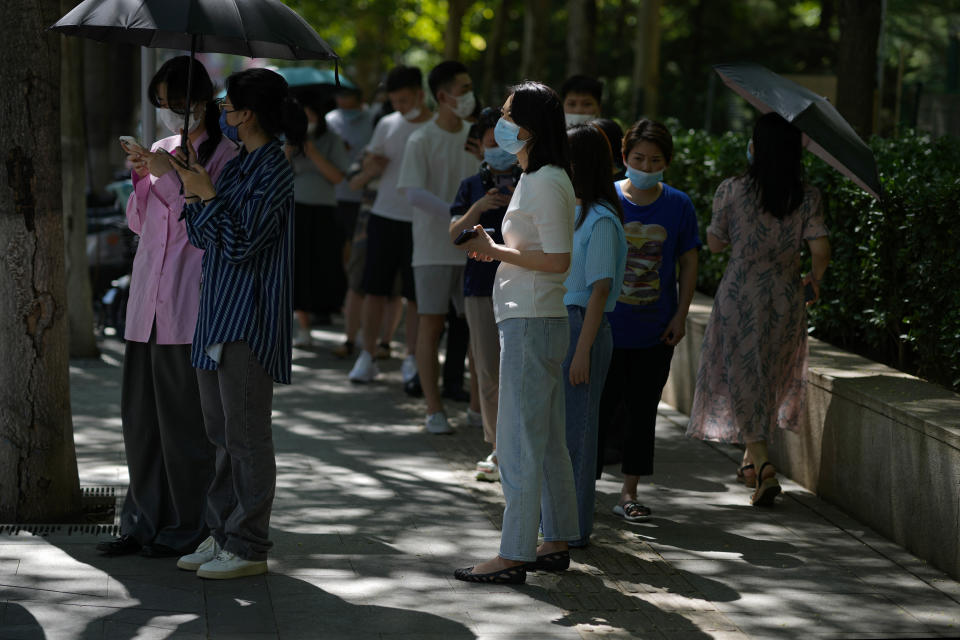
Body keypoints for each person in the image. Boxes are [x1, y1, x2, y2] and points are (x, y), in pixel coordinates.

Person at [97, 56, 237, 560]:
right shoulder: (161, 149)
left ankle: (187, 525)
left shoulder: (223, 154)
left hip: (187, 301)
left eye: (174, 103)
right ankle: (141, 521)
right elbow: (141, 224)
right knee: (141, 421)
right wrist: (143, 177)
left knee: (185, 425)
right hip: (145, 306)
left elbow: (206, 214)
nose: (166, 112)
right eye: (160, 103)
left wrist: (172, 176)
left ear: (200, 102)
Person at [169, 67, 305, 580]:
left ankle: (249, 544)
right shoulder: (235, 164)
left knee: (247, 435)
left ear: (247, 113)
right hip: (216, 312)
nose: (220, 113)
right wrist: (195, 184)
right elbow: (204, 238)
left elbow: (245, 243)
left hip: (248, 318)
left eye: (226, 107)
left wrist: (207, 195)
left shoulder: (274, 168)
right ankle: (222, 532)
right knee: (221, 433)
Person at [454, 81, 578, 585]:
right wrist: (496, 247)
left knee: (518, 442)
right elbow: (541, 251)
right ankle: (556, 539)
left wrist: (497, 251)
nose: (500, 123)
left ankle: (514, 552)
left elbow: (557, 260)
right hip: (531, 318)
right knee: (545, 441)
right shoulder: (539, 176)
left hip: (531, 319)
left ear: (527, 128)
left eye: (507, 114)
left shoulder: (546, 179)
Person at [686, 113, 830, 506]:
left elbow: (714, 244)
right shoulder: (808, 196)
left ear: (757, 147)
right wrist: (813, 280)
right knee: (770, 374)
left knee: (742, 372)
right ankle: (751, 461)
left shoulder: (731, 190)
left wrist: (729, 231)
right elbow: (820, 248)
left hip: (740, 292)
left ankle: (764, 465)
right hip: (786, 293)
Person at [598, 119, 701, 523]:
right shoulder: (605, 200)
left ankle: (629, 492)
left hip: (655, 330)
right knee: (597, 411)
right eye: (638, 157)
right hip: (605, 327)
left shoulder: (678, 205)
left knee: (643, 412)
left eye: (655, 160)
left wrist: (681, 315)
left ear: (667, 163)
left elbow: (689, 260)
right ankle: (580, 489)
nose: (645, 164)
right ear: (623, 158)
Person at [396, 60, 481, 435]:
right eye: (463, 89)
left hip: (476, 249)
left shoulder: (477, 136)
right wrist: (458, 216)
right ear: (443, 96)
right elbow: (413, 193)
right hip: (432, 249)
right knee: (430, 327)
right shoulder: (421, 139)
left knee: (478, 330)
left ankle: (480, 410)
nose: (468, 94)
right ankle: (434, 410)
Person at [563, 124, 627, 547]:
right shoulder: (577, 211)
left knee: (581, 436)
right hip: (567, 323)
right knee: (565, 433)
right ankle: (561, 523)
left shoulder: (602, 219)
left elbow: (600, 290)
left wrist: (582, 351)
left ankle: (575, 529)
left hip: (584, 326)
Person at [448, 106, 520, 481]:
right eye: (489, 141)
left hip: (523, 286)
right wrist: (480, 206)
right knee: (488, 371)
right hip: (479, 288)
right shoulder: (471, 185)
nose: (496, 148)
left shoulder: (531, 181)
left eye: (501, 140)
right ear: (479, 146)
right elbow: (454, 237)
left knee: (517, 373)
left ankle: (517, 446)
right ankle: (495, 449)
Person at [348, 65, 432, 384]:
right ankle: (367, 355)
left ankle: (411, 357)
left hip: (421, 220)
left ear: (421, 95)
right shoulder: (386, 123)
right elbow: (366, 166)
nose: (399, 106)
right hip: (383, 215)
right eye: (395, 100)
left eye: (405, 99)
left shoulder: (437, 127)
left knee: (414, 296)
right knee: (374, 290)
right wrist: (370, 167)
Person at [287, 90, 350, 345]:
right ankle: (303, 326)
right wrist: (290, 149)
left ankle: (328, 313)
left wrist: (313, 152)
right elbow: (278, 172)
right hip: (295, 208)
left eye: (311, 113)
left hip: (323, 209)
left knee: (325, 265)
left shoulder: (332, 139)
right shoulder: (289, 138)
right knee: (298, 266)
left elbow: (338, 177)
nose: (307, 118)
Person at [326, 85, 376, 356]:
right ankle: (339, 299)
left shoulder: (373, 120)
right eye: (340, 98)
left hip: (364, 201)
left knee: (356, 255)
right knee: (339, 250)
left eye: (349, 98)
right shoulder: (330, 120)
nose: (344, 103)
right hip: (336, 195)